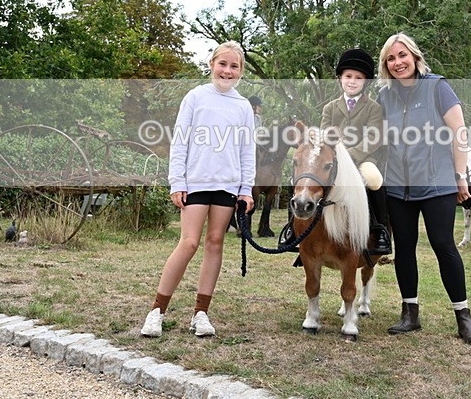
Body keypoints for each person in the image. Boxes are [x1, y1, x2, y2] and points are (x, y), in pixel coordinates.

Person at [140, 41, 256, 338]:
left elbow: (247, 151)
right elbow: (180, 142)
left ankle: (200, 314)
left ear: (241, 71)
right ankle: (157, 311)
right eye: (222, 64)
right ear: (211, 64)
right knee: (189, 243)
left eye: (234, 66)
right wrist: (177, 182)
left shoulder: (243, 106)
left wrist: (246, 189)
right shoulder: (195, 97)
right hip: (196, 182)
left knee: (215, 242)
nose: (227, 71)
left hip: (227, 185)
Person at [376, 32, 471, 346]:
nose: (398, 62)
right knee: (404, 248)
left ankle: (463, 317)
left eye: (402, 55)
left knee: (443, 244)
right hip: (398, 186)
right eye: (391, 58)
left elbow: (459, 132)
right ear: (385, 65)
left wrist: (460, 176)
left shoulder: (437, 86)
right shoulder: (384, 96)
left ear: (415, 56)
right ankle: (410, 313)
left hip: (437, 183)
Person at [279, 49, 392, 255]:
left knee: (374, 179)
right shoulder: (330, 107)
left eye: (358, 78)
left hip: (361, 159)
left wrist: (350, 156)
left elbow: (374, 137)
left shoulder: (373, 108)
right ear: (340, 78)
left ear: (365, 82)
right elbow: (323, 138)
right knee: (299, 177)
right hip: (332, 159)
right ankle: (292, 229)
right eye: (348, 76)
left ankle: (380, 229)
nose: (352, 81)